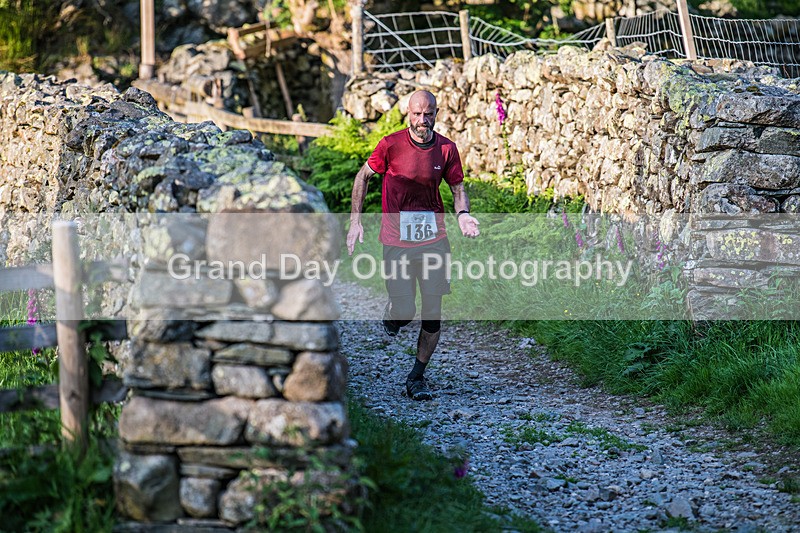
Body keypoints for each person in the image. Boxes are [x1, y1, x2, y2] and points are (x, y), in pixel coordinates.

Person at [346, 90, 480, 401]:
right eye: (417, 114)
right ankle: (394, 315)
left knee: (433, 313)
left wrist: (463, 215)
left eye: (428, 114)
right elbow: (363, 177)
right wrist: (355, 221)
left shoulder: (446, 149)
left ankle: (416, 377)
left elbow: (458, 188)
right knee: (405, 311)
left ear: (436, 113)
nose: (422, 120)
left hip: (434, 240)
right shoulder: (390, 145)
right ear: (408, 113)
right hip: (397, 240)